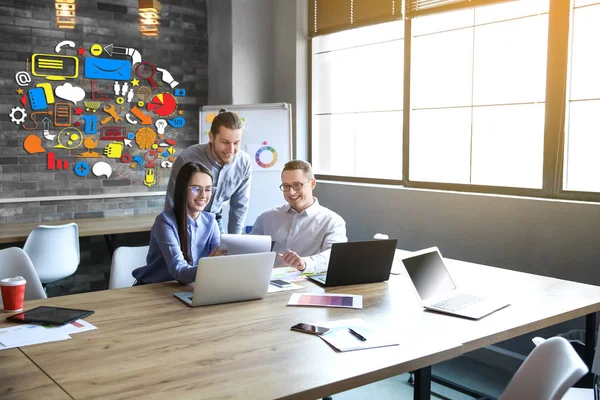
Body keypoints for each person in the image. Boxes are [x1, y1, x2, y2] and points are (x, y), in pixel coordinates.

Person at [251, 160, 347, 274]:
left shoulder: (332, 221)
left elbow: (333, 256)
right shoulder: (266, 218)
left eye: (297, 185)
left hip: (308, 282)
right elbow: (250, 250)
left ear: (312, 184)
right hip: (269, 281)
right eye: (286, 186)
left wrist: (304, 263)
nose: (291, 192)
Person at [165, 110, 251, 234]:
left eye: (236, 143)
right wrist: (172, 233)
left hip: (215, 219)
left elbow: (239, 206)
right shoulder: (187, 158)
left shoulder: (244, 163)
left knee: (226, 252)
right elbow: (172, 201)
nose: (231, 150)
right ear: (211, 137)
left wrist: (234, 242)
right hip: (187, 219)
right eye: (225, 142)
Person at [133, 162, 221, 285]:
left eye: (208, 189)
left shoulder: (211, 222)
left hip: (190, 288)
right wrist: (211, 265)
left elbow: (220, 258)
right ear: (183, 189)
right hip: (154, 289)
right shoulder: (165, 222)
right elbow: (179, 272)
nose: (203, 195)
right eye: (196, 188)